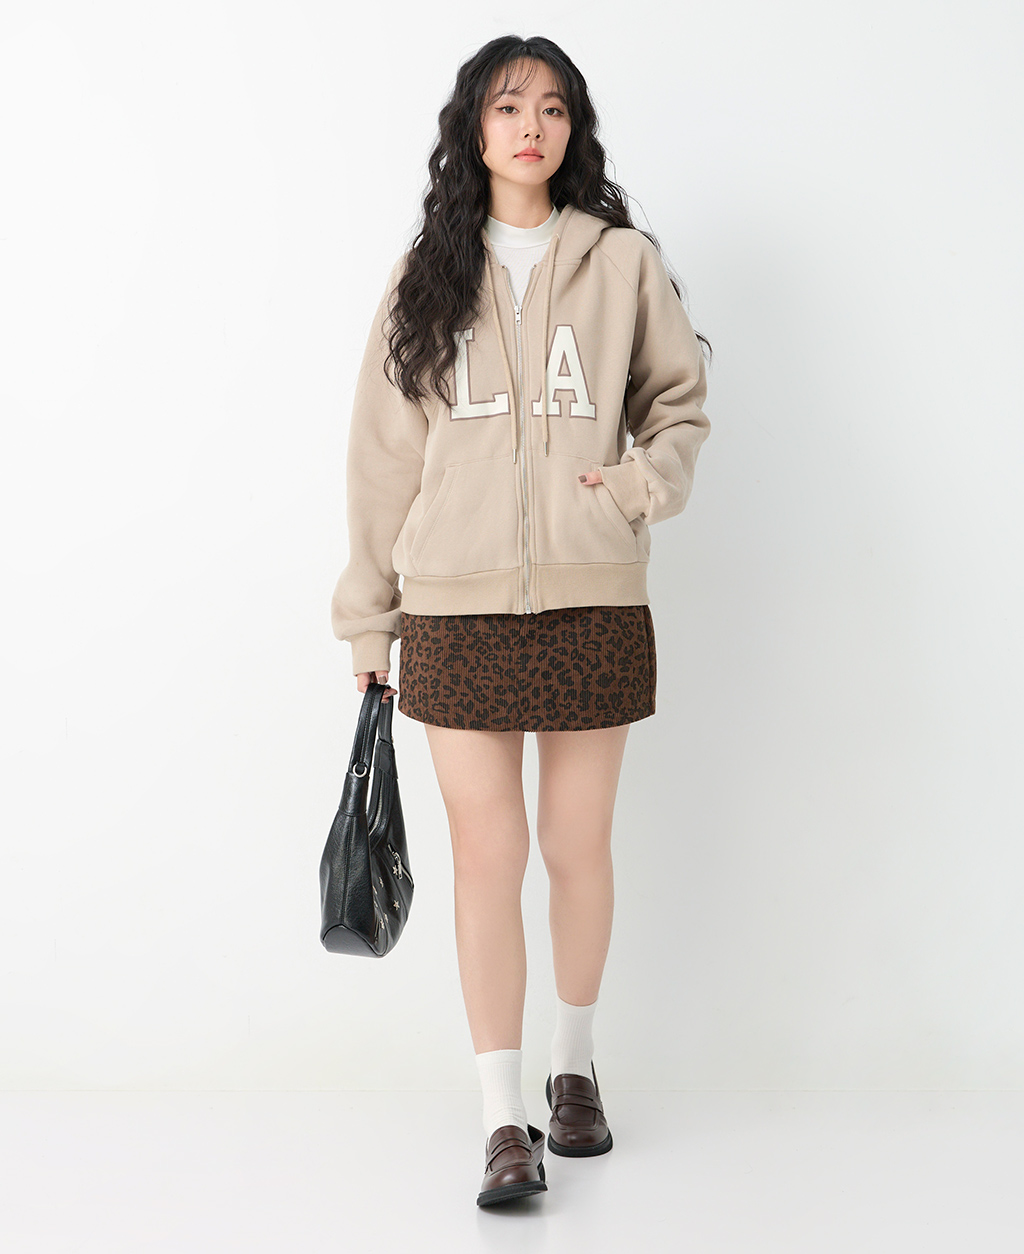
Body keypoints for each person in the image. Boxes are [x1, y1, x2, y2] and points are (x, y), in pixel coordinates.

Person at [330, 34, 712, 1207]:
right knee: (486, 858)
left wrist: (635, 489)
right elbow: (381, 458)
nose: (530, 126)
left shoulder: (621, 261)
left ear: (571, 127)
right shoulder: (426, 275)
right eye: (507, 107)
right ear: (474, 129)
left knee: (575, 847)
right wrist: (370, 619)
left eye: (551, 107)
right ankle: (503, 1118)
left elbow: (678, 403)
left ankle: (574, 1068)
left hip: (593, 598)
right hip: (455, 605)